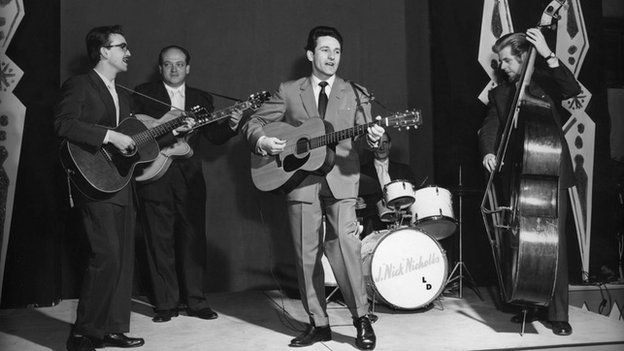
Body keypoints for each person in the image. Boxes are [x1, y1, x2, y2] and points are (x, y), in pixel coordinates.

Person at [242, 26, 384, 350]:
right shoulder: (289, 90)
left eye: (336, 51)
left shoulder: (355, 92)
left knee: (346, 246)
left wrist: (375, 139)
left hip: (343, 178)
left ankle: (361, 319)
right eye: (325, 50)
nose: (332, 57)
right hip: (299, 181)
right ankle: (318, 323)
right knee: (306, 255)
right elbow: (254, 123)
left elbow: (368, 135)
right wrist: (262, 140)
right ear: (311, 54)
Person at [478, 28, 581, 336]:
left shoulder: (548, 81)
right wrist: (487, 151)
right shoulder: (499, 93)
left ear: (524, 57)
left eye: (508, 60)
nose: (503, 67)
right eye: (500, 61)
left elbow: (572, 88)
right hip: (519, 174)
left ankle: (558, 313)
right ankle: (529, 302)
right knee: (523, 241)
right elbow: (489, 127)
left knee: (554, 244)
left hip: (551, 172)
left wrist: (548, 54)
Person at [131, 45, 241, 323]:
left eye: (180, 64)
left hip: (190, 177)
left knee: (193, 240)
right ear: (160, 68)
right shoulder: (144, 93)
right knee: (158, 239)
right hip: (154, 174)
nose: (174, 69)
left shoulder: (201, 98)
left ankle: (196, 301)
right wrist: (169, 133)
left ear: (188, 68)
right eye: (168, 64)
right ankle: (165, 304)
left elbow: (214, 136)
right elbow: (135, 134)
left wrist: (232, 124)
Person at [55, 25, 147, 351]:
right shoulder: (80, 85)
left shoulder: (124, 94)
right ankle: (83, 334)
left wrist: (176, 130)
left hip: (120, 184)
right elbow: (63, 124)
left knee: (122, 259)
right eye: (122, 47)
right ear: (104, 51)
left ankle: (113, 328)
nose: (128, 53)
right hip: (92, 183)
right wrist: (109, 136)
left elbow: (134, 142)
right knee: (106, 255)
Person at [359, 132, 417, 235]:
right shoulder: (361, 172)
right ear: (372, 146)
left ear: (390, 145)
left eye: (385, 142)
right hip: (373, 226)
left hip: (402, 224)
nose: (382, 147)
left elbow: (414, 197)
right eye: (378, 143)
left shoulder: (404, 170)